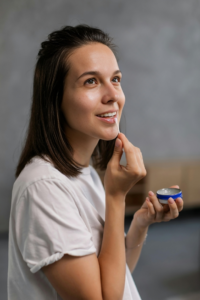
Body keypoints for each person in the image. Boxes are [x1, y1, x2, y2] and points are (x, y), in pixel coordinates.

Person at [7, 24, 184, 300]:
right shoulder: (42, 188)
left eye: (115, 79)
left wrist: (139, 223)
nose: (113, 95)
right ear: (56, 99)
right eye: (91, 81)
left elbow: (115, 278)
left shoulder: (84, 172)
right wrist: (116, 196)